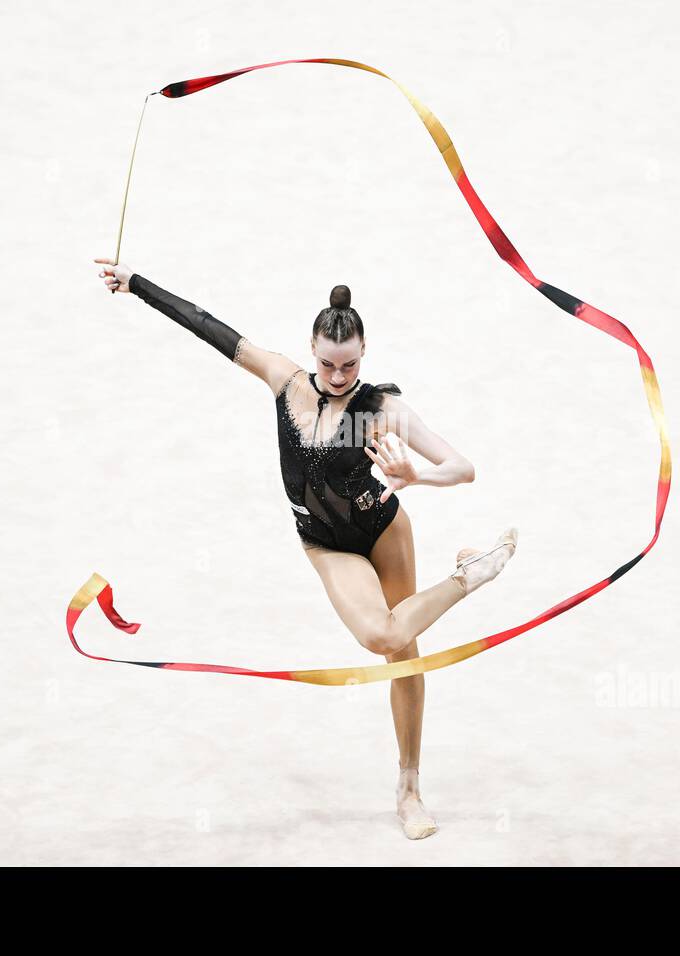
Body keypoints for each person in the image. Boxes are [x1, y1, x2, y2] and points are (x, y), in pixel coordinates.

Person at [94, 257, 518, 839]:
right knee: (382, 636)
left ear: (364, 353)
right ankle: (470, 575)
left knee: (406, 655)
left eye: (350, 365)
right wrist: (136, 284)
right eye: (327, 363)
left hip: (384, 528)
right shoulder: (285, 381)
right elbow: (206, 325)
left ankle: (409, 788)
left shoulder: (381, 408)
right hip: (327, 544)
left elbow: (463, 468)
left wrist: (416, 477)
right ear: (311, 351)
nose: (339, 375)